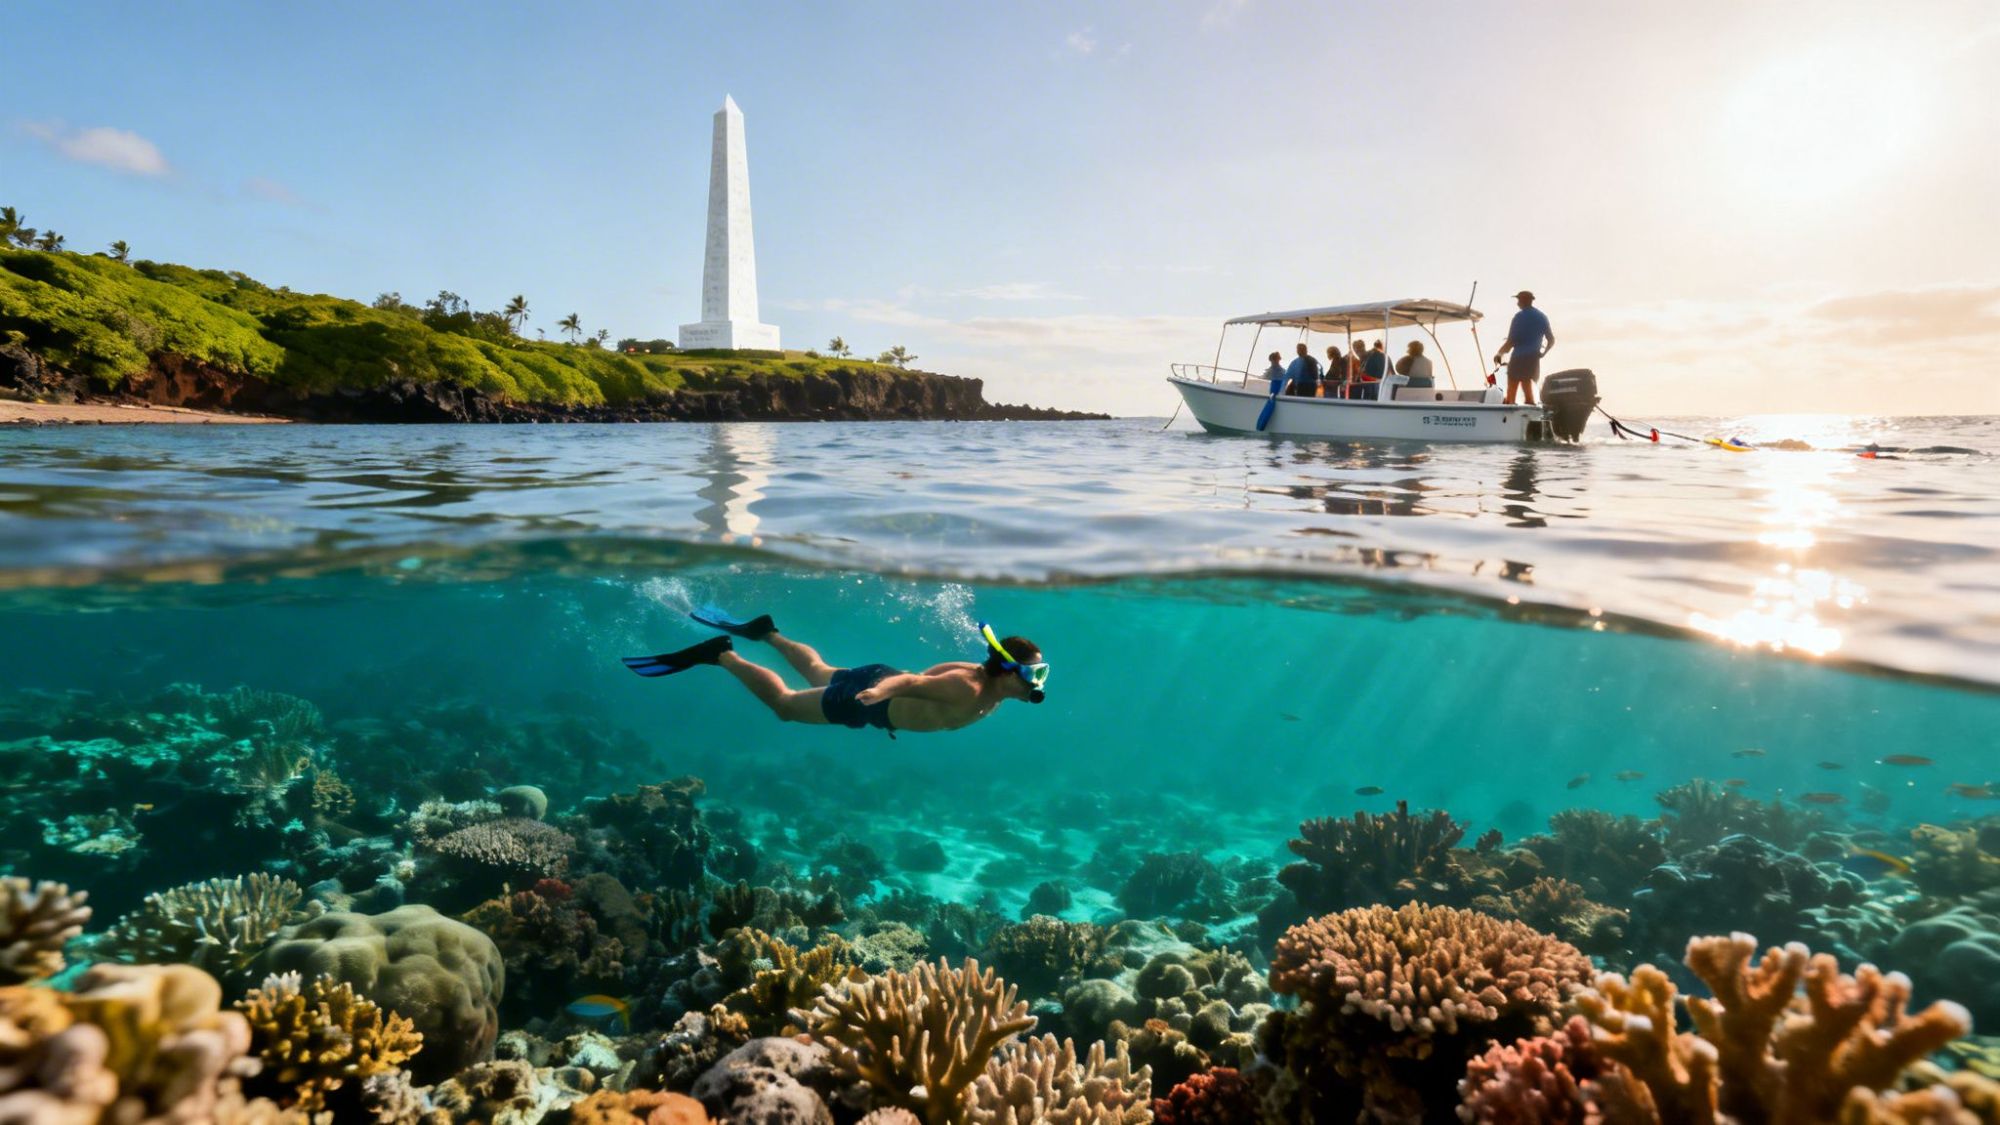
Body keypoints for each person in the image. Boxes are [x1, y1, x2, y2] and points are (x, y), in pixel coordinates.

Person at [623, 609, 1047, 737]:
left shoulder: (978, 673)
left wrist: (889, 692)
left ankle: (767, 632)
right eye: (1031, 674)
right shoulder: (968, 686)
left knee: (818, 670)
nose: (1037, 682)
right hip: (875, 699)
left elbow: (924, 675)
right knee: (786, 706)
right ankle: (722, 655)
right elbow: (915, 682)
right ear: (1007, 671)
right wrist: (881, 697)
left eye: (1040, 673)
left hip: (880, 683)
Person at [1493, 290, 1554, 406]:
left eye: (1519, 300)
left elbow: (1511, 342)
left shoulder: (1519, 317)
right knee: (1527, 382)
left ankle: (1510, 407)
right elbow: (1551, 340)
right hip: (1533, 359)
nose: (1517, 303)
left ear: (1524, 301)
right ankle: (1529, 407)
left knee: (1512, 384)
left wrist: (1499, 354)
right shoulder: (1542, 317)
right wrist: (1543, 353)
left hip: (1518, 358)